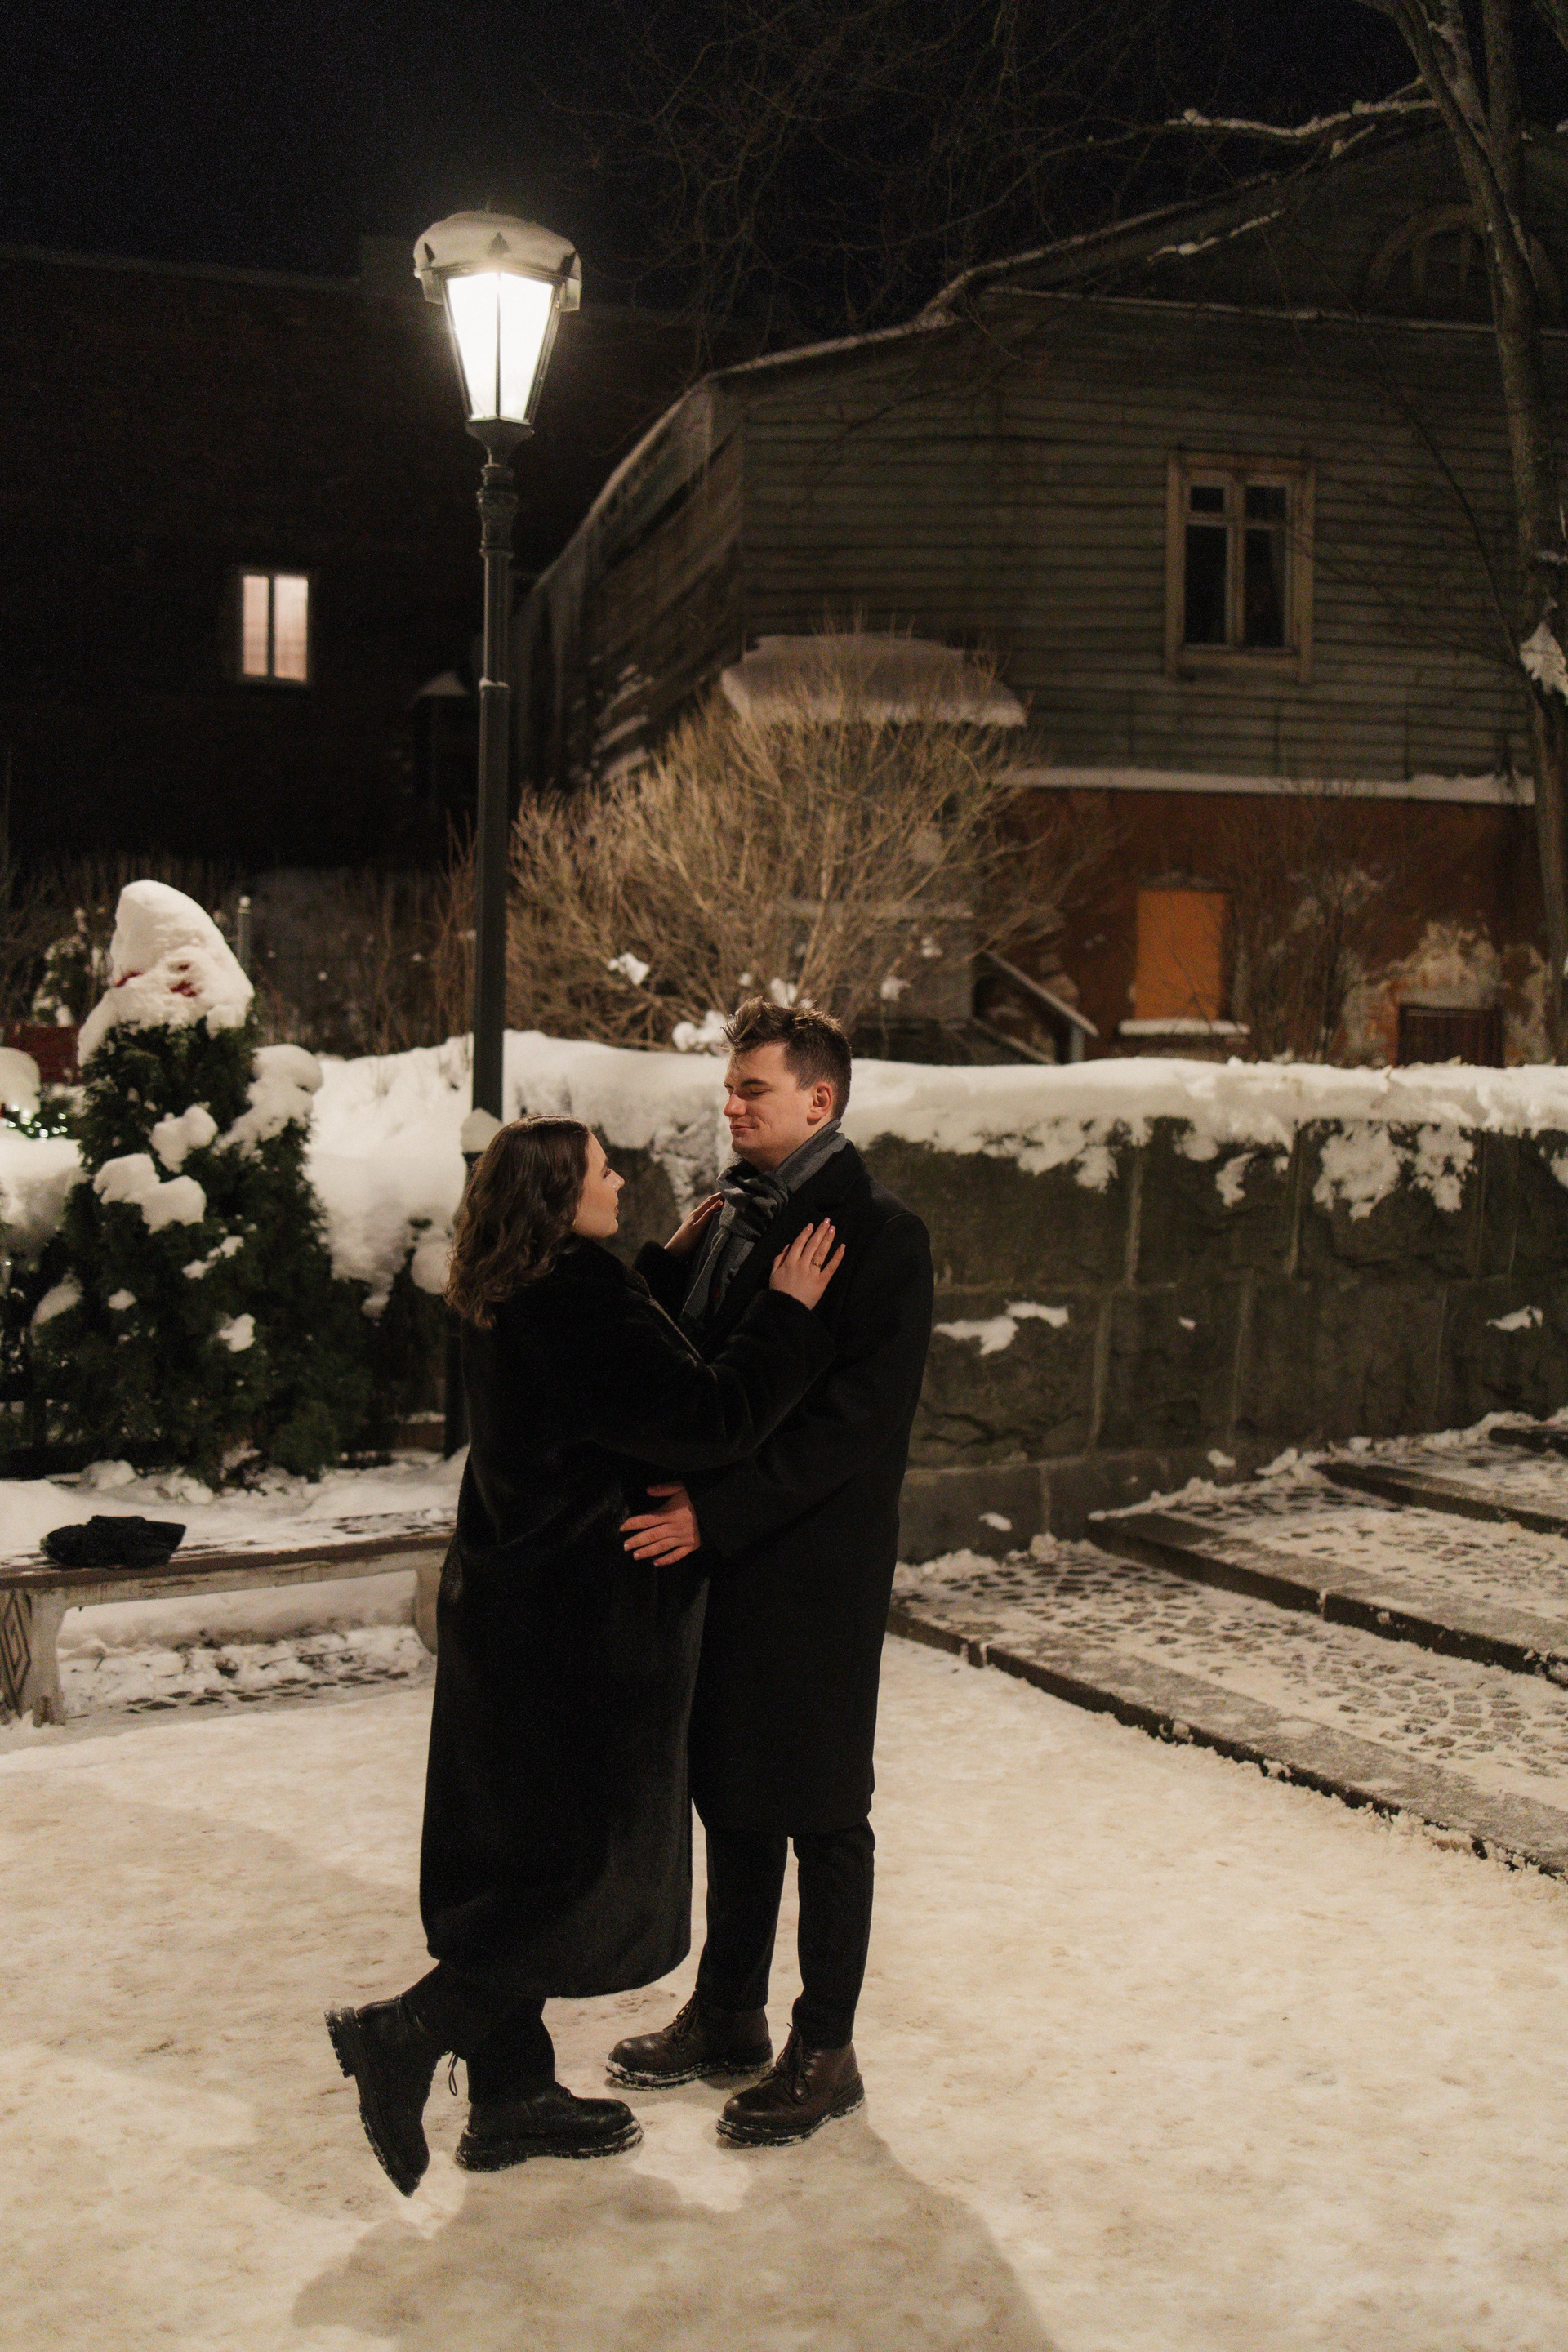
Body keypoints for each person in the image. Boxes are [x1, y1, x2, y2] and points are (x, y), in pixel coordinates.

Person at [326, 1114, 844, 2194]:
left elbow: (599, 1379)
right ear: (560, 1200)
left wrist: (658, 1269)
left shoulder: (513, 1287)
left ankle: (513, 2097)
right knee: (576, 1871)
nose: (620, 1182)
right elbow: (706, 1417)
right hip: (581, 1637)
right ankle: (406, 2032)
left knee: (520, 1855)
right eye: (603, 1173)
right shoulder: (580, 1303)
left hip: (511, 1616)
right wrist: (787, 1314)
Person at [611, 998, 933, 2147]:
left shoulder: (881, 1234)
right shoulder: (732, 1215)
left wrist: (718, 1511)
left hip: (811, 1571)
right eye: (730, 1088)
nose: (733, 1106)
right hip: (725, 1562)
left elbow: (856, 1426)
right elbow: (696, 1372)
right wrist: (671, 1265)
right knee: (733, 1794)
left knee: (825, 1812)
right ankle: (729, 2012)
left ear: (820, 1099)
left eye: (754, 1089)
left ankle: (826, 2049)